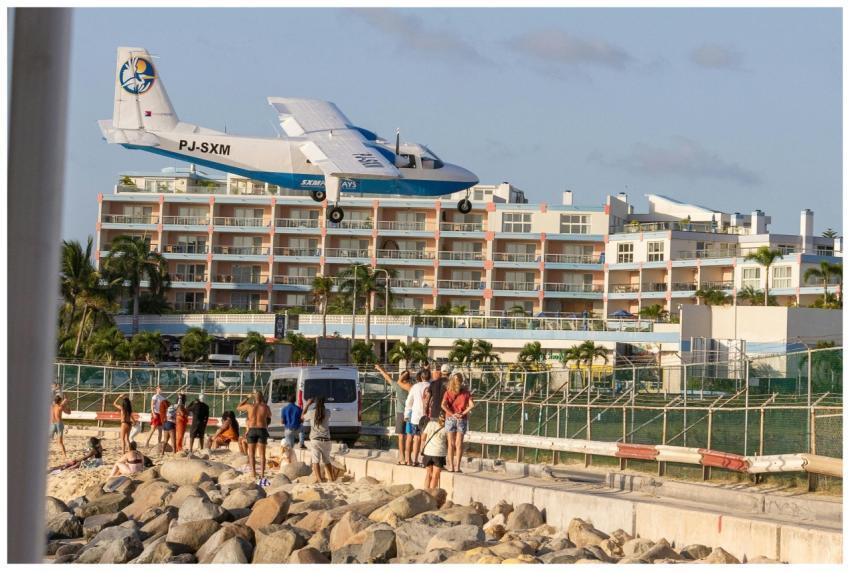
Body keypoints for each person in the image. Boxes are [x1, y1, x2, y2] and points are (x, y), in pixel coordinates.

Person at [375, 364, 412, 464]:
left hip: (401, 413)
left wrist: (380, 369)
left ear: (401, 377)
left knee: (401, 437)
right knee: (410, 436)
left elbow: (387, 377)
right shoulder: (411, 387)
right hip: (411, 413)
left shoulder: (398, 385)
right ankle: (410, 458)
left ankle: (402, 458)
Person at [441, 371, 475, 473]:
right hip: (461, 419)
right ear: (461, 381)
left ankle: (451, 466)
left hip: (450, 418)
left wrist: (451, 414)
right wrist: (462, 413)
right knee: (459, 444)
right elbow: (472, 405)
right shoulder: (466, 393)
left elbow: (443, 405)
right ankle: (457, 467)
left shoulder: (448, 392)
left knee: (450, 444)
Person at [237, 391, 272, 483]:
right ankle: (262, 474)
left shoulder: (249, 406)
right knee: (262, 454)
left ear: (254, 398)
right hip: (262, 430)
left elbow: (238, 407)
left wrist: (247, 397)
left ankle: (253, 473)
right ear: (262, 398)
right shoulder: (265, 407)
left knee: (251, 454)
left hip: (252, 430)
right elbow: (269, 416)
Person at [302, 396, 335, 482]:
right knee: (327, 460)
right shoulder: (328, 412)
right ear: (324, 403)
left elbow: (302, 417)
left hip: (315, 440)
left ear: (315, 403)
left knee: (315, 461)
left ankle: (319, 479)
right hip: (326, 440)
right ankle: (331, 478)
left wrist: (307, 404)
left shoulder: (311, 412)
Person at [403, 370, 430, 467]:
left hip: (416, 416)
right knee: (425, 439)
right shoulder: (431, 386)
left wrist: (406, 414)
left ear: (421, 377)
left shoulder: (415, 387)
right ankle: (423, 460)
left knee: (416, 438)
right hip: (428, 417)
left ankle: (415, 459)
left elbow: (409, 401)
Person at [421, 414, 448, 489]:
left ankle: (425, 493)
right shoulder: (447, 428)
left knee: (428, 474)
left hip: (428, 452)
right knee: (435, 476)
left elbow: (423, 438)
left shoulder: (430, 424)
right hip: (439, 453)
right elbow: (448, 443)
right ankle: (431, 495)